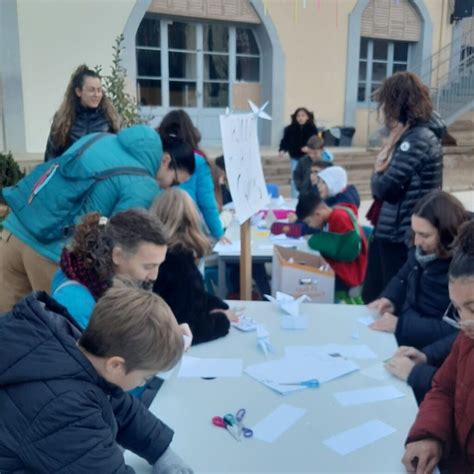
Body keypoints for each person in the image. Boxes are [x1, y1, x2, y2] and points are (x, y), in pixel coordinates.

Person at [0, 279, 193, 473]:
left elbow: (119, 405)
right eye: (146, 376)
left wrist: (162, 453)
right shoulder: (64, 408)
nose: (144, 382)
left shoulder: (77, 348)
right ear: (116, 365)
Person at [0, 127, 195, 313]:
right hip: (51, 252)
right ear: (166, 160)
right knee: (60, 335)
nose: (169, 188)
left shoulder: (99, 138)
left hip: (14, 230)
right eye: (175, 181)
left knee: (8, 331)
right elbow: (123, 243)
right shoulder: (144, 184)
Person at [362, 71, 445, 304]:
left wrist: (379, 166)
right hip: (395, 228)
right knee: (375, 294)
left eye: (387, 103)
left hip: (401, 233)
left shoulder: (417, 138)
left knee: (388, 299)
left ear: (398, 102)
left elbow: (384, 189)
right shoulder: (415, 134)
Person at [402, 220, 474, 474]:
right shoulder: (468, 338)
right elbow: (444, 388)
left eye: (472, 308)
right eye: (457, 308)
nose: (463, 320)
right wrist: (430, 435)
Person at [369, 191, 469, 349]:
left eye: (424, 235)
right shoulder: (423, 250)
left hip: (431, 352)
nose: (416, 241)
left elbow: (458, 330)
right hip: (408, 336)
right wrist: (390, 299)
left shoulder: (464, 270)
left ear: (446, 233)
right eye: (414, 232)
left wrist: (401, 326)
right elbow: (404, 275)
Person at [51, 209, 168, 329]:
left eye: (159, 265)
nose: (154, 276)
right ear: (117, 255)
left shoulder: (87, 275)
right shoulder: (76, 305)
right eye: (148, 266)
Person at [152, 189, 240, 344]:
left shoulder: (164, 258)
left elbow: (193, 299)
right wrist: (222, 320)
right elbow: (189, 328)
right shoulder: (179, 266)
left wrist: (217, 306)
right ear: (191, 220)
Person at [158, 110, 225, 241]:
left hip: (159, 230)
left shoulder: (157, 159)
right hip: (187, 233)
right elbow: (207, 203)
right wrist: (219, 234)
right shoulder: (198, 161)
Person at [295, 190, 368, 293]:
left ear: (318, 214)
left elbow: (347, 252)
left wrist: (315, 241)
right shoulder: (332, 216)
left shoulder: (339, 218)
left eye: (308, 221)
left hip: (349, 275)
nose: (310, 225)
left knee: (303, 283)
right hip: (339, 269)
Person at [44, 65, 121, 161]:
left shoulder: (111, 118)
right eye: (91, 90)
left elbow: (121, 155)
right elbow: (51, 156)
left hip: (102, 174)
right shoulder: (62, 119)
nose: (96, 95)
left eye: (99, 90)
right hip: (71, 174)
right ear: (78, 92)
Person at [385, 332, 458, 405]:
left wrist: (417, 373)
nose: (460, 321)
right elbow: (459, 336)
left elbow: (456, 390)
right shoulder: (465, 332)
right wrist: (426, 356)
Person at [279, 107, 319, 197]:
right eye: (298, 116)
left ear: (307, 117)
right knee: (295, 178)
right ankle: (295, 198)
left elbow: (316, 141)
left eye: (303, 116)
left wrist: (309, 148)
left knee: (308, 178)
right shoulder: (290, 129)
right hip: (295, 158)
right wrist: (282, 150)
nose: (300, 118)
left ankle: (307, 197)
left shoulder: (312, 128)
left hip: (308, 158)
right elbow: (285, 141)